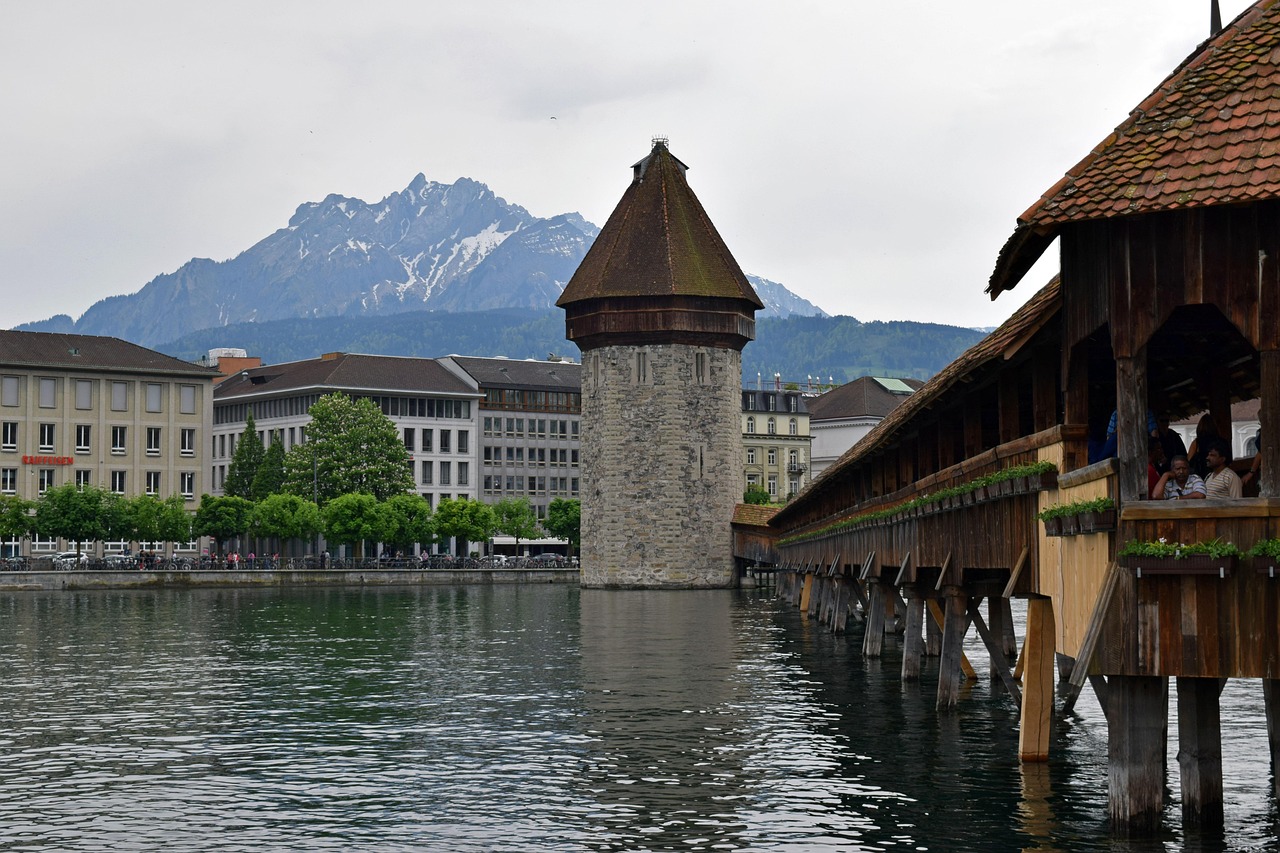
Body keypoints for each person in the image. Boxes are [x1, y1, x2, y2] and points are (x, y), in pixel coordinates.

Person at [1187, 414, 1221, 480]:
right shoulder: (1220, 442)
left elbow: (1189, 460)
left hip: (1199, 477)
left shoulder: (1197, 443)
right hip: (1216, 475)